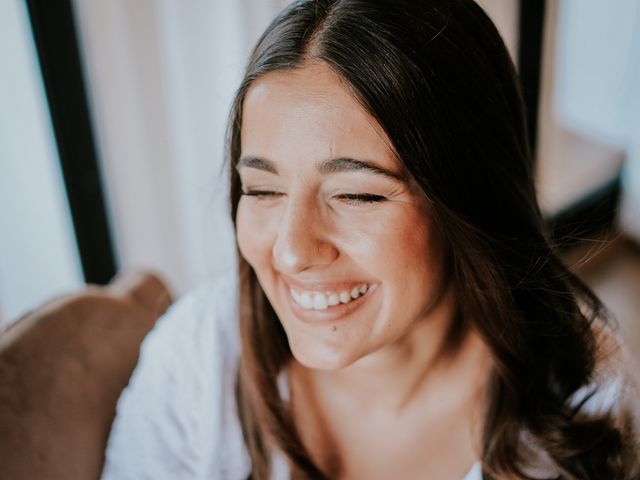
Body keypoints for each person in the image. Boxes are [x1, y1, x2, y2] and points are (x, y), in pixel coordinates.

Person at [101, 0, 640, 478]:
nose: (291, 250)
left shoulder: (579, 417)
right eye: (263, 190)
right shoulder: (198, 356)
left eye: (356, 195)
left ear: (469, 198)